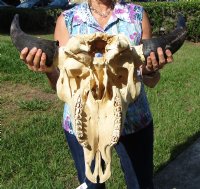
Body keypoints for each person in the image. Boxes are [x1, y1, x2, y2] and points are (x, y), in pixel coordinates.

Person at [20, 0, 173, 188]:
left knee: (141, 183)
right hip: (82, 122)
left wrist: (151, 70)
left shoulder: (137, 16)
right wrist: (47, 69)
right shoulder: (67, 20)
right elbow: (61, 82)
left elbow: (146, 75)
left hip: (133, 119)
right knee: (92, 185)